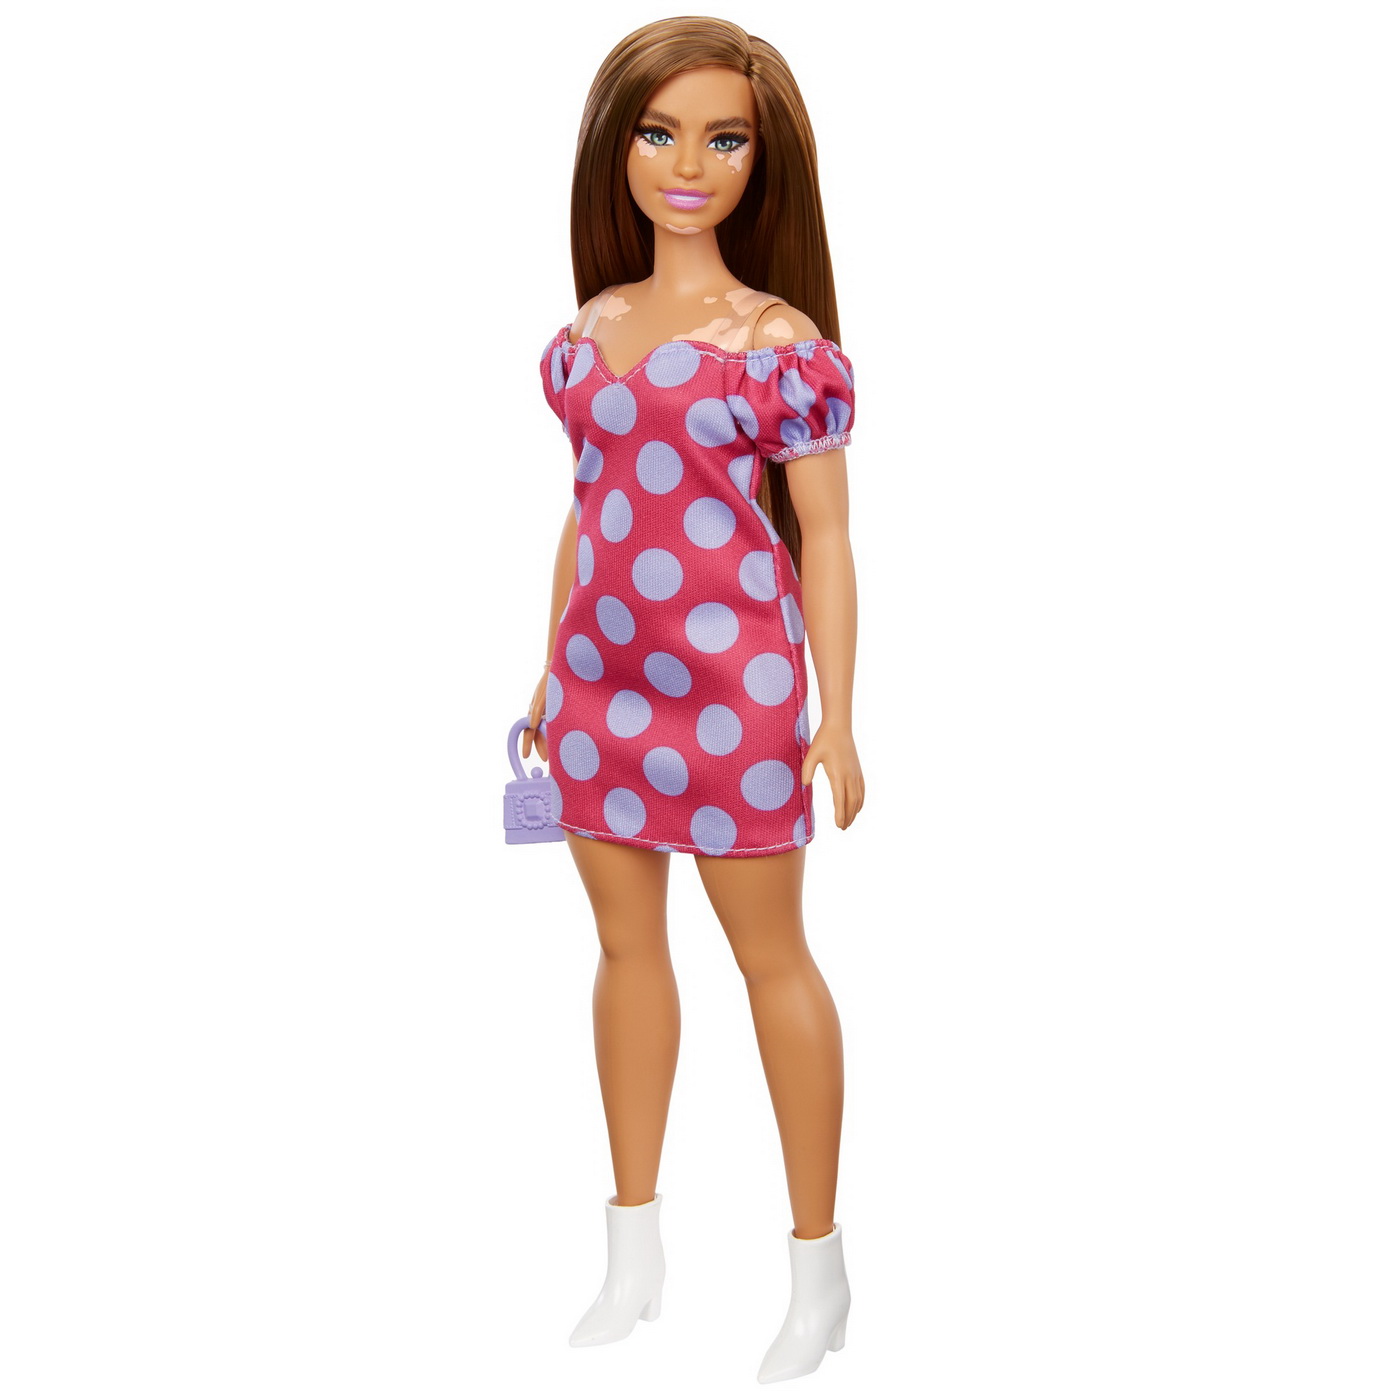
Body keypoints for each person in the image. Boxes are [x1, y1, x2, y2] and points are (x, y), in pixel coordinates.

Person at [521, 17, 864, 1383]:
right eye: (660, 134)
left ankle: (819, 1271)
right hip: (602, 686)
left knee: (771, 960)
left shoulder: (775, 342)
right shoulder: (589, 333)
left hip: (737, 690)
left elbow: (824, 533)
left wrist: (837, 712)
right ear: (616, 149)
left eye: (724, 139)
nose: (687, 164)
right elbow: (588, 511)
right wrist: (548, 662)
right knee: (624, 955)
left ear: (761, 161)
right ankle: (633, 1253)